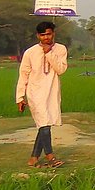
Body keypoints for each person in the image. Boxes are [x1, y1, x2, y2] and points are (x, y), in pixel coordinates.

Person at [16, 20, 68, 167]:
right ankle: (51, 157)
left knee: (44, 125)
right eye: (43, 35)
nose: (46, 37)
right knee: (44, 124)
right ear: (38, 36)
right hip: (35, 93)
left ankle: (33, 158)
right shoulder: (30, 52)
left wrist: (49, 53)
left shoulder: (60, 49)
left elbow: (61, 70)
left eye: (48, 34)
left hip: (52, 92)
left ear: (53, 34)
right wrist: (20, 97)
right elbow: (23, 75)